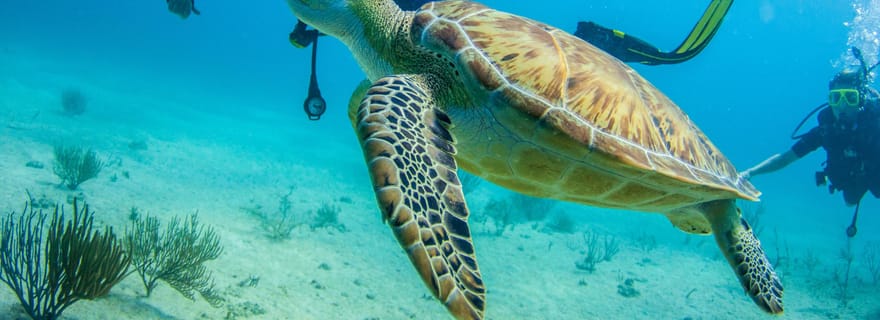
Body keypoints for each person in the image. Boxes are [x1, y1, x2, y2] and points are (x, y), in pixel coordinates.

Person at [288, 0, 733, 119]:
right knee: (375, 101)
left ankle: (591, 46)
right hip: (436, 37)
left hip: (461, 34)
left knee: (543, 60)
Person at [741, 49, 880, 237]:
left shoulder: (875, 124)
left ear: (861, 100)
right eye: (836, 98)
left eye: (850, 97)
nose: (842, 105)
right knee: (850, 201)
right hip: (849, 180)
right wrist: (750, 173)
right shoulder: (825, 130)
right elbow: (785, 158)